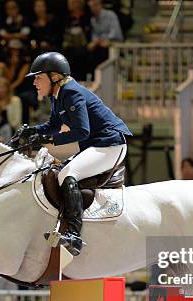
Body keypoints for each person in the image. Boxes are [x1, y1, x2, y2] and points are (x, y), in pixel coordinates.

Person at [19, 52, 131, 256]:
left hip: (110, 145)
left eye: (38, 77)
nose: (34, 82)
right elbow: (53, 125)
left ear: (54, 77)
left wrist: (48, 140)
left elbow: (82, 131)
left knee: (66, 174)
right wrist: (34, 131)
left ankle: (74, 235)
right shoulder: (58, 95)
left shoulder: (71, 93)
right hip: (95, 145)